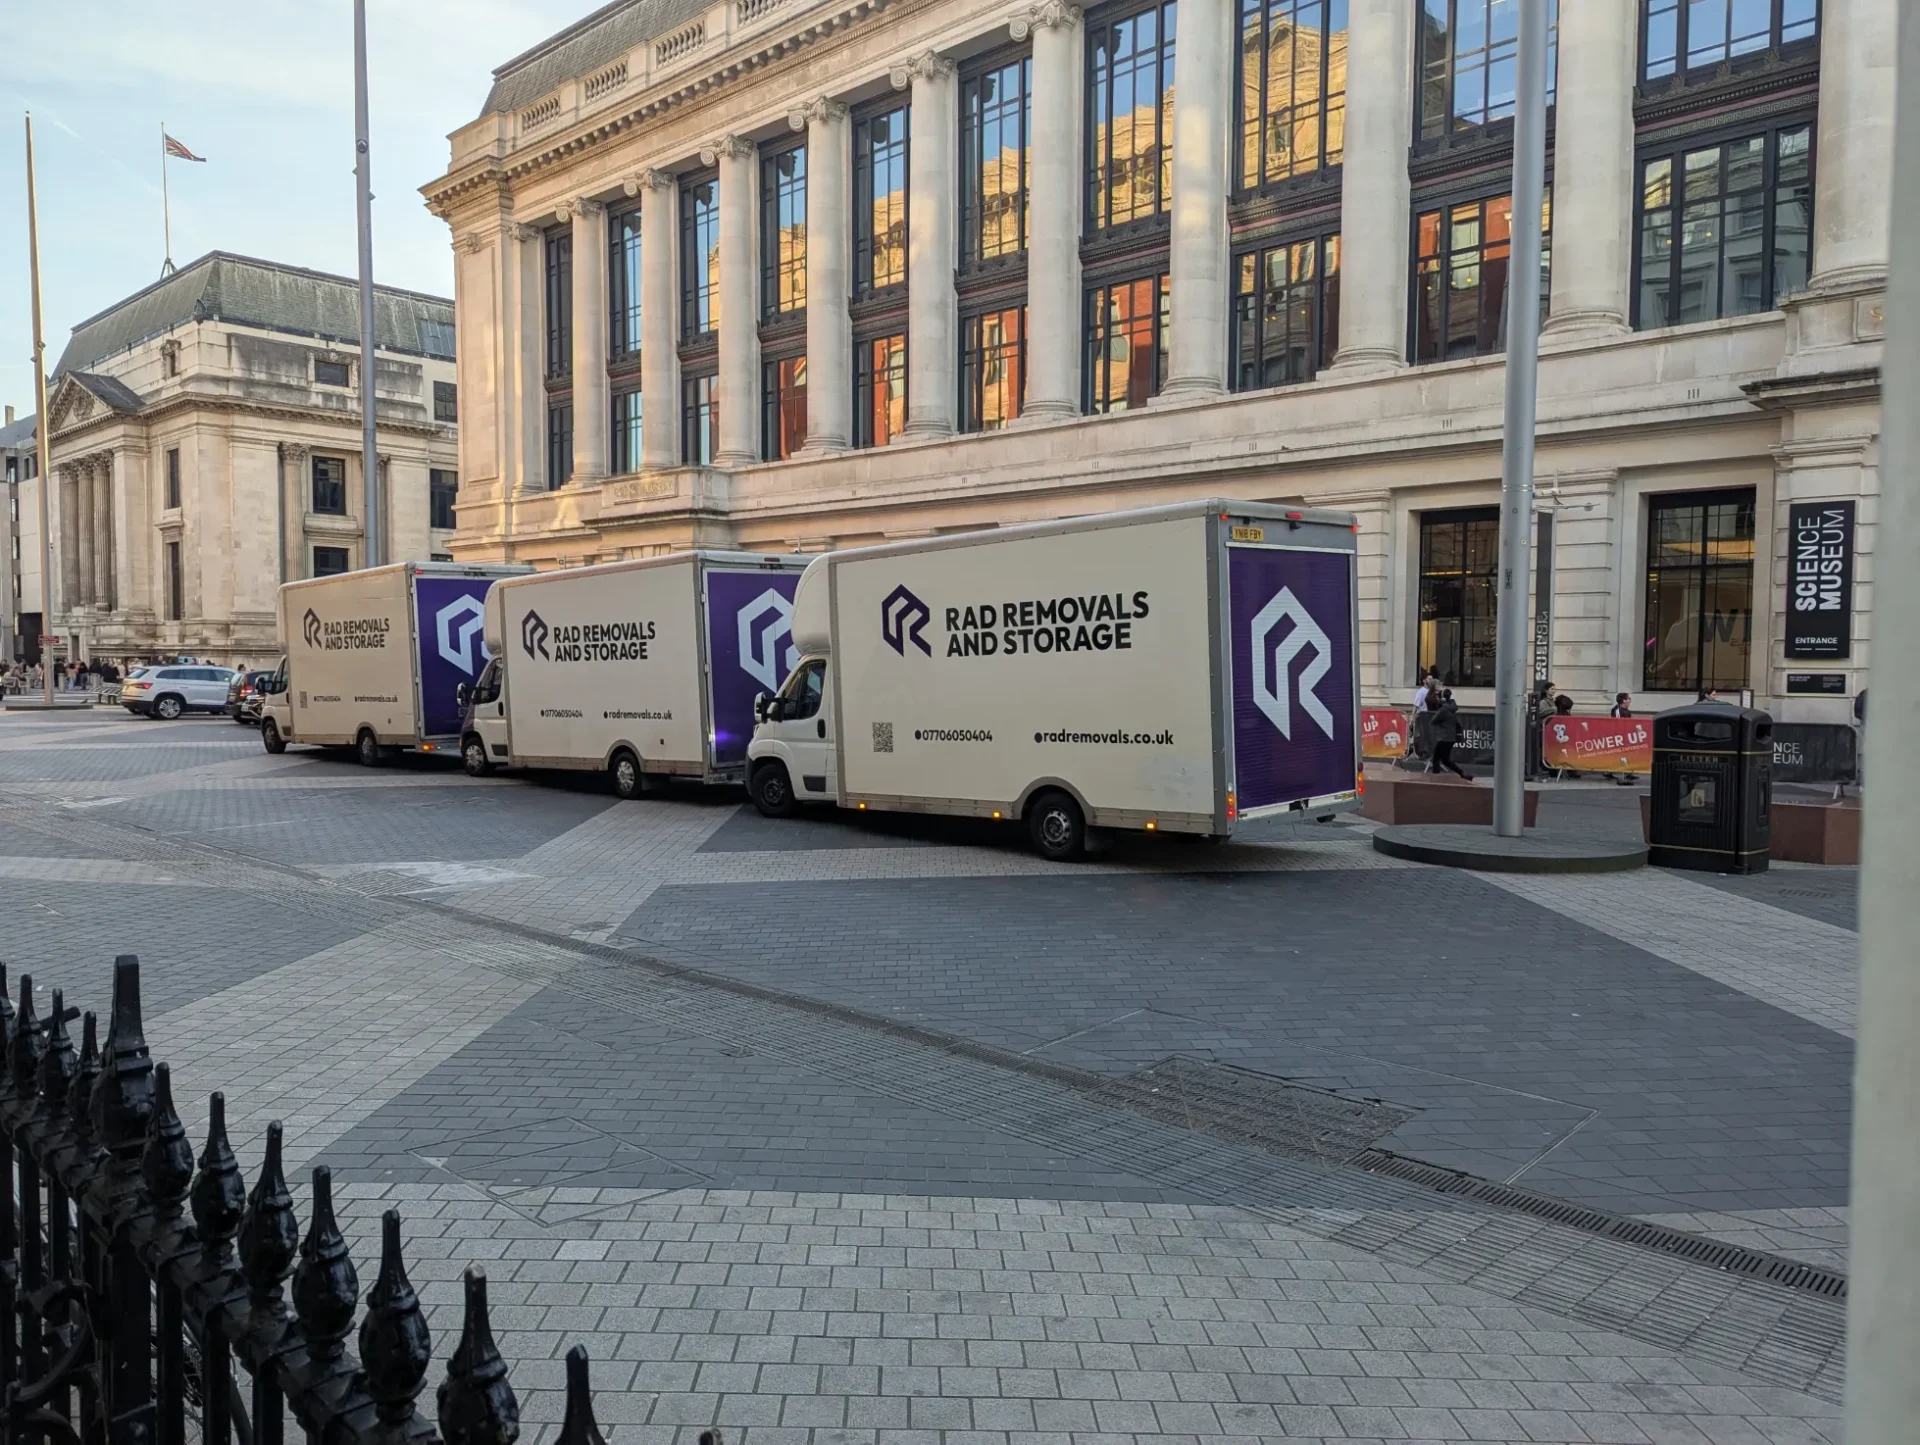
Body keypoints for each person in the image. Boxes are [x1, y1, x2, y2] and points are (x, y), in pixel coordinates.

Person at [1427, 690, 1469, 779]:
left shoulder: (1443, 710)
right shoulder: (1452, 708)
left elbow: (1433, 720)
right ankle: (1462, 773)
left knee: (1436, 759)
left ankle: (1435, 778)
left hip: (1443, 737)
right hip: (1451, 738)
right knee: (1445, 760)